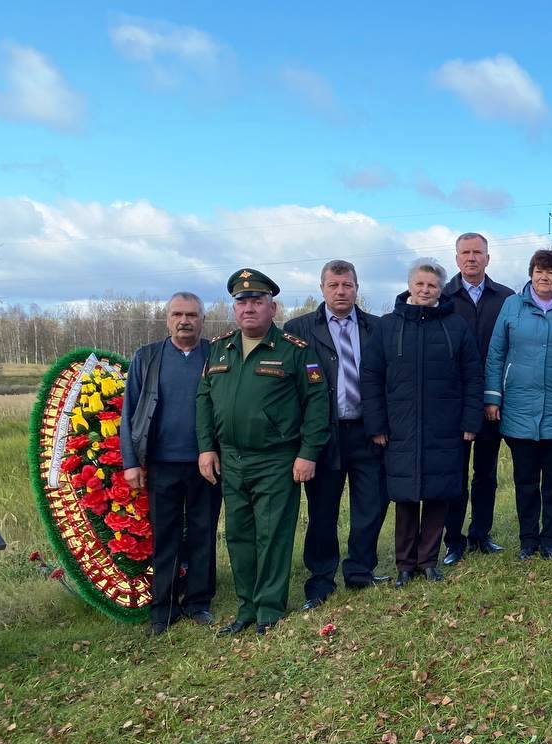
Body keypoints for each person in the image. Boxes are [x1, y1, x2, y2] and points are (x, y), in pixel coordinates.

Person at [196, 269, 329, 636]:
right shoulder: (220, 348)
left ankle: (269, 609)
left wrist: (308, 452)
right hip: (231, 459)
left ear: (272, 307)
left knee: (272, 534)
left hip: (276, 458)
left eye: (257, 301)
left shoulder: (293, 349)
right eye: (242, 302)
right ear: (234, 308)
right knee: (238, 534)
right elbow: (204, 399)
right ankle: (246, 608)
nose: (249, 308)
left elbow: (317, 403)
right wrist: (206, 447)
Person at [362, 259, 483, 586]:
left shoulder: (455, 326)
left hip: (445, 426)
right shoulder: (388, 326)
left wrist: (471, 419)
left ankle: (428, 560)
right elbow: (371, 377)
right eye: (420, 284)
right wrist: (376, 424)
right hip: (399, 427)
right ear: (410, 286)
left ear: (440, 289)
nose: (425, 290)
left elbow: (472, 376)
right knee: (404, 496)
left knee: (437, 494)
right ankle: (405, 564)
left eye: (432, 285)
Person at [283, 260, 388, 610]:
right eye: (333, 285)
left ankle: (360, 571)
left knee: (370, 506)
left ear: (357, 288)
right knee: (323, 511)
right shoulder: (298, 329)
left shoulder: (377, 328)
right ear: (322, 288)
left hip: (367, 432)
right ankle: (321, 580)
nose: (341, 291)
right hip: (322, 434)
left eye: (347, 285)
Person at [120, 291, 221, 636]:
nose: (184, 321)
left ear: (202, 320)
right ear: (166, 319)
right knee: (165, 537)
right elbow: (130, 411)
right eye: (177, 314)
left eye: (192, 315)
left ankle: (198, 602)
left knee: (203, 533)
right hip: (161, 464)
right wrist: (131, 462)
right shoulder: (147, 357)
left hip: (206, 464)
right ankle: (162, 610)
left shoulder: (216, 354)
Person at [484, 249, 552, 560]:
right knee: (525, 480)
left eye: (551, 272)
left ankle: (551, 538)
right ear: (531, 273)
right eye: (539, 271)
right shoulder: (512, 306)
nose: (544, 277)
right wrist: (492, 397)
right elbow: (496, 353)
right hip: (518, 408)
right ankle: (528, 539)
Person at [440, 233, 515, 565]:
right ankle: (453, 540)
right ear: (456, 259)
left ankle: (480, 534)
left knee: (486, 472)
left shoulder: (506, 298)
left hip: (493, 400)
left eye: (478, 252)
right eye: (465, 253)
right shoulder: (442, 298)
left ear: (488, 257)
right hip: (453, 403)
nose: (471, 258)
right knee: (454, 473)